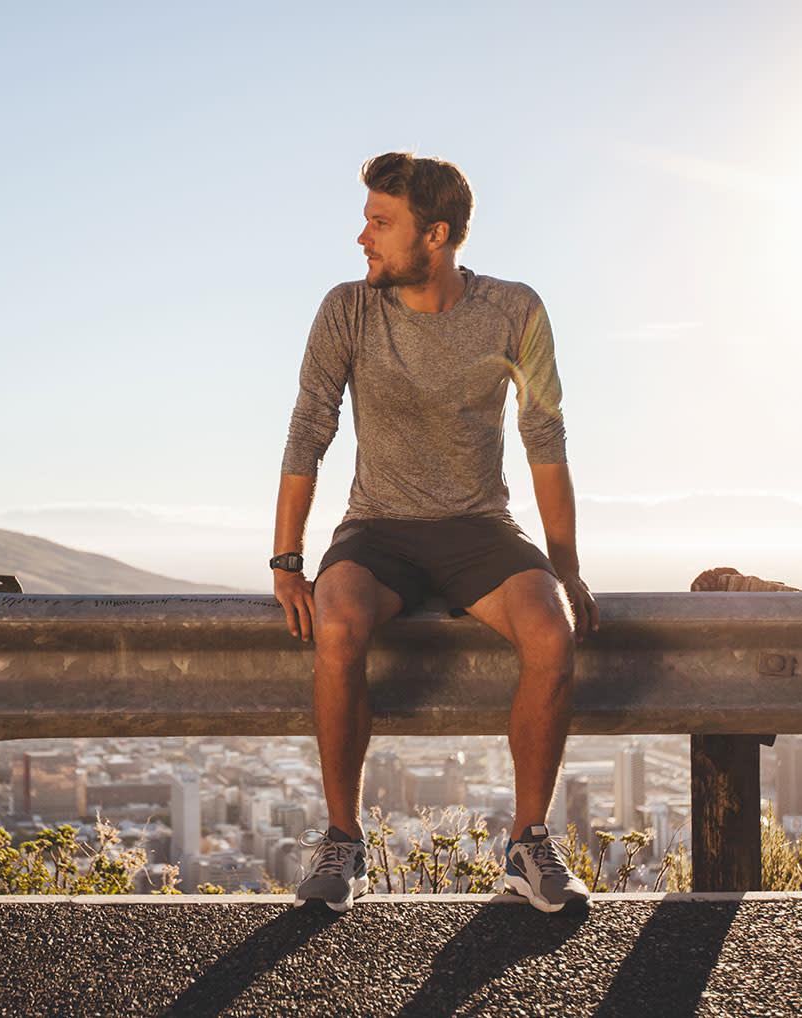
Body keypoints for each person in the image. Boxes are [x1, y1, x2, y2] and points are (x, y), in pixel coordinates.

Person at [272, 152, 599, 914]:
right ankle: (344, 843)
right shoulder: (347, 310)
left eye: (379, 223)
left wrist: (566, 569)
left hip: (479, 528)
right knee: (337, 623)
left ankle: (528, 845)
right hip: (376, 530)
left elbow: (545, 442)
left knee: (551, 631)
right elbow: (308, 430)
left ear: (436, 235)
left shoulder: (515, 310)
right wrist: (288, 561)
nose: (362, 237)